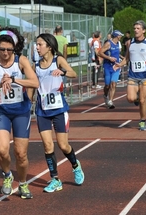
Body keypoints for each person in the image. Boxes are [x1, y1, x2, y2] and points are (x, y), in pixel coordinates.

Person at [0, 27, 39, 199]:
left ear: (15, 48)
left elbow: (35, 83)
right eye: (2, 49)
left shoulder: (21, 61)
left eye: (9, 50)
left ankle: (23, 183)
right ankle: (7, 175)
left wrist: (13, 80)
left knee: (20, 153)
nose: (5, 53)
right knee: (2, 149)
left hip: (20, 111)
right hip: (0, 110)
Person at [33, 33, 84, 193]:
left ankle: (75, 166)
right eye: (36, 44)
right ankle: (55, 179)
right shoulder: (35, 65)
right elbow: (32, 85)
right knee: (48, 146)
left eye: (40, 44)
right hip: (42, 110)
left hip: (59, 109)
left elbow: (74, 74)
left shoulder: (58, 60)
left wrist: (62, 72)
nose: (37, 47)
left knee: (63, 145)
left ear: (49, 46)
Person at [117, 20, 146, 131]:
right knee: (130, 98)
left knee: (143, 100)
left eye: (138, 28)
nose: (136, 30)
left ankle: (142, 121)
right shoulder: (129, 43)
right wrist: (119, 64)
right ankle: (136, 99)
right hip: (133, 75)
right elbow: (127, 58)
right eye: (134, 28)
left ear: (144, 30)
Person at [98, 30, 123, 109]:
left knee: (113, 84)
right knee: (107, 85)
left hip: (116, 67)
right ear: (116, 36)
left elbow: (117, 54)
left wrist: (123, 58)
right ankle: (105, 96)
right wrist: (109, 58)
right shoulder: (108, 43)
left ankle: (111, 101)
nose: (121, 37)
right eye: (120, 35)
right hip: (108, 67)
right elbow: (100, 52)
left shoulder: (118, 44)